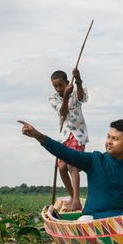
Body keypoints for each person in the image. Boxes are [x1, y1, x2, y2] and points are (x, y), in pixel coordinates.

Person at [20, 118, 123, 221]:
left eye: (115, 139)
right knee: (82, 222)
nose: (109, 141)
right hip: (93, 220)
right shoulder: (95, 160)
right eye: (108, 136)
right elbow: (64, 152)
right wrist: (37, 135)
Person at [49, 68, 88, 212]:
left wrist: (78, 79)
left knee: (72, 165)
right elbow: (63, 112)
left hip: (78, 134)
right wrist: (65, 96)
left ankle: (76, 200)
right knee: (61, 167)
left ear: (67, 82)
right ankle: (73, 197)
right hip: (64, 135)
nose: (59, 88)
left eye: (61, 85)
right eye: (56, 86)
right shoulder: (53, 98)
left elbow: (82, 97)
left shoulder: (75, 91)